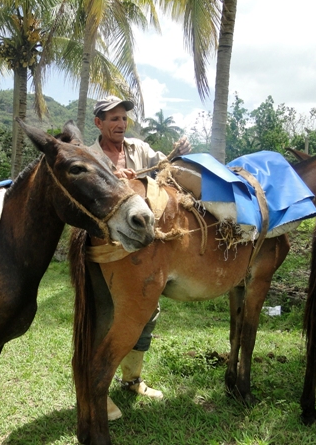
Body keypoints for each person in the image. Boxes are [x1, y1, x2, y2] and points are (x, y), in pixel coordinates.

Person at [90, 95, 191, 421]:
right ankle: (96, 392)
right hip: (105, 245)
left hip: (142, 245)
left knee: (148, 310)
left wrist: (176, 155)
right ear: (99, 124)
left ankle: (132, 379)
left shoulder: (139, 149)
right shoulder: (90, 157)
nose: (120, 124)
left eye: (123, 119)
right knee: (106, 316)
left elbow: (165, 169)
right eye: (113, 119)